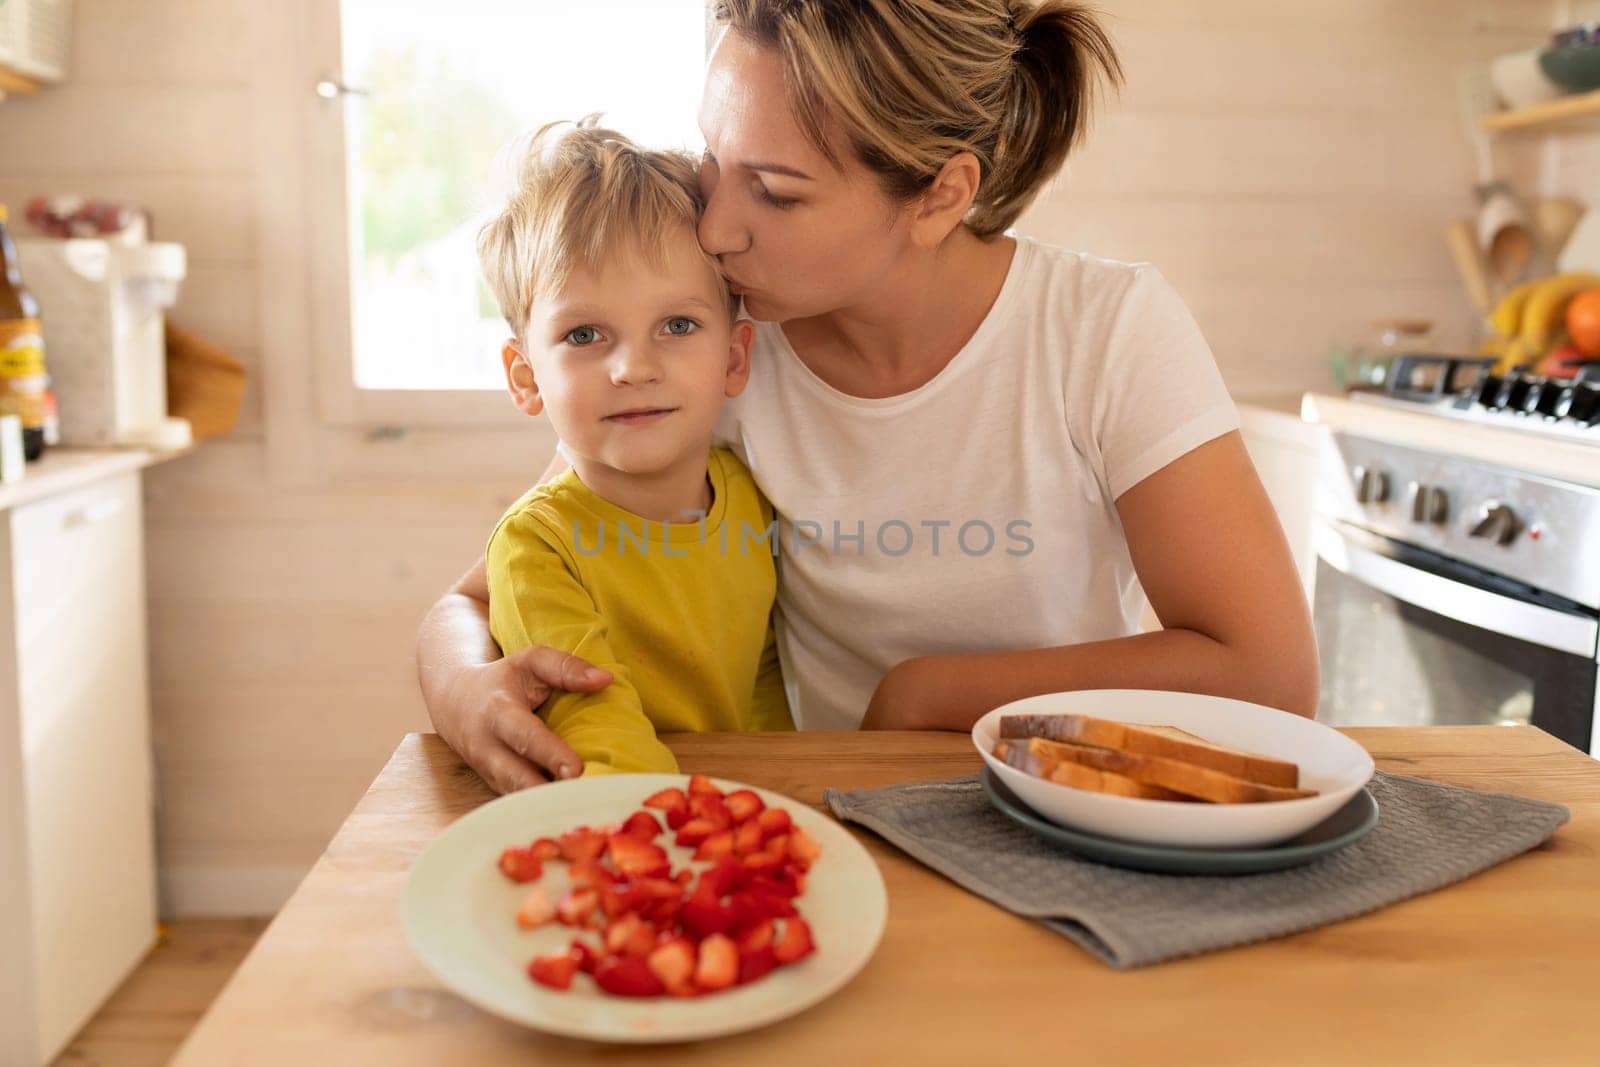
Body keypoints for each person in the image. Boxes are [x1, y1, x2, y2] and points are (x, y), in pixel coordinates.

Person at [417, 0, 1319, 794]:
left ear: (939, 197)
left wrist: (926, 693)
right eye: (713, 162)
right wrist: (462, 689)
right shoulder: (719, 343)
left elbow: (1270, 671)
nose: (716, 225)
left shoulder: (1104, 331)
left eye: (773, 191)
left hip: (1060, 803)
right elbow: (481, 591)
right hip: (835, 811)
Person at [474, 118, 793, 776]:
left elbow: (766, 692)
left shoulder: (750, 496)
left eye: (677, 324)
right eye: (586, 335)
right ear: (526, 378)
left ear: (735, 358)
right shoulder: (537, 546)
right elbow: (598, 732)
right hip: (610, 823)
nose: (634, 367)